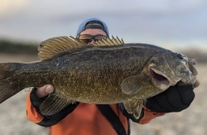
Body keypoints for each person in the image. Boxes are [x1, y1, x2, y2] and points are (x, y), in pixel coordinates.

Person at [26, 18, 200, 135]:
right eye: (86, 40)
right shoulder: (56, 70)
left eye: (100, 39)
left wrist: (157, 104)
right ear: (76, 43)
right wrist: (37, 101)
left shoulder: (140, 72)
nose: (93, 43)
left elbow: (137, 113)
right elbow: (40, 117)